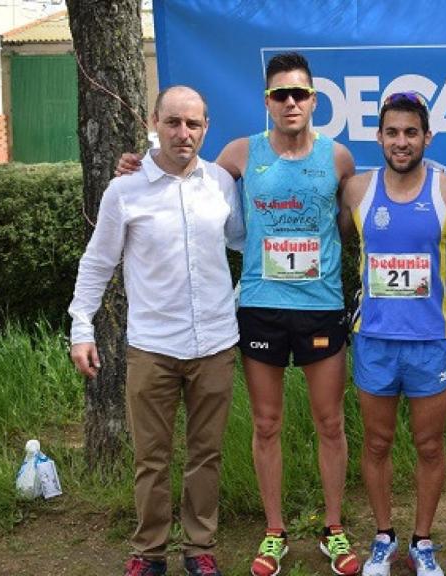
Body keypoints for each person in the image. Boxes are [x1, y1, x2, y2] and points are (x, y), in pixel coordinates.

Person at [118, 52, 359, 576]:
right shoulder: (240, 153)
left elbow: (345, 223)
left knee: (330, 422)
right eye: (280, 95)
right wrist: (139, 159)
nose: (290, 102)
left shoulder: (339, 158)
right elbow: (185, 169)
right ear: (266, 102)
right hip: (260, 309)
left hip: (320, 308)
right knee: (266, 423)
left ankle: (334, 529)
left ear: (314, 101)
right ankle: (274, 533)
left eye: (299, 94)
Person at [69, 85, 243, 576]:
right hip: (152, 348)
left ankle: (199, 547)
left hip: (215, 344)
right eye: (173, 122)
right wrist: (81, 327)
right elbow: (97, 262)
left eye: (193, 124)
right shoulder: (125, 190)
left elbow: (246, 245)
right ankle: (149, 552)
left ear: (206, 128)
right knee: (152, 458)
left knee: (206, 454)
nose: (183, 133)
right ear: (155, 122)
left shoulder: (220, 185)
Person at [338, 92, 446, 576]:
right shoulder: (356, 190)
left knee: (429, 446)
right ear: (379, 137)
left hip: (430, 342)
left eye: (411, 132)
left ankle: (422, 541)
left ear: (427, 138)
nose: (402, 141)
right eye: (392, 132)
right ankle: (383, 538)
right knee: (376, 445)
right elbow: (325, 237)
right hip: (374, 339)